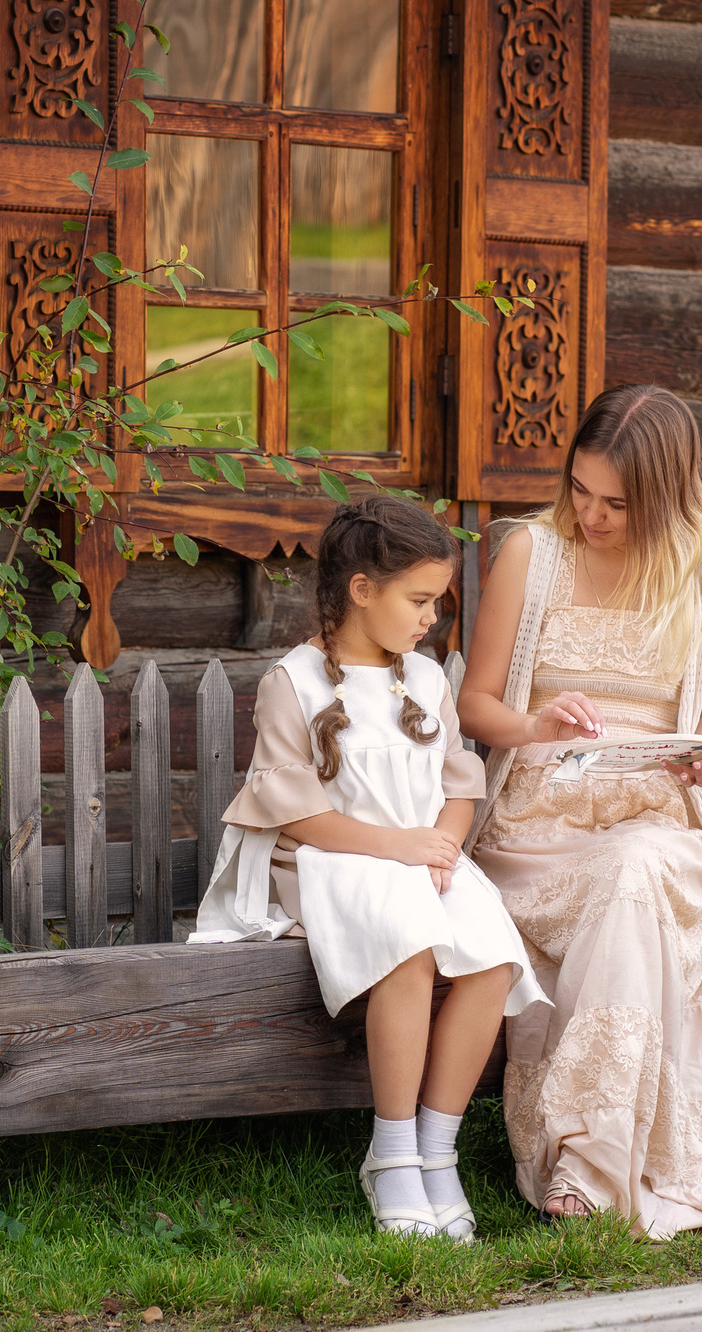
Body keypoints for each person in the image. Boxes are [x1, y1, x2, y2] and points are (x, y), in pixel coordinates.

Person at [457, 383, 702, 1240]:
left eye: (617, 503)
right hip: (538, 827)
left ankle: (587, 1165)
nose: (591, 515)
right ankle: (592, 1160)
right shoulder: (531, 553)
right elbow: (475, 703)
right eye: (581, 490)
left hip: (652, 815)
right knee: (626, 888)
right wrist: (536, 724)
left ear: (665, 499)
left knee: (636, 873)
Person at [194, 496, 545, 1241]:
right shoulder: (295, 681)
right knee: (408, 943)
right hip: (333, 859)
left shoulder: (426, 679)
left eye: (436, 602)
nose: (430, 619)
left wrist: (443, 844)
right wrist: (401, 849)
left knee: (493, 954)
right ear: (361, 589)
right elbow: (293, 812)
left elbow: (457, 783)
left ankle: (437, 1148)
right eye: (418, 600)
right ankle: (391, 1154)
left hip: (420, 859)